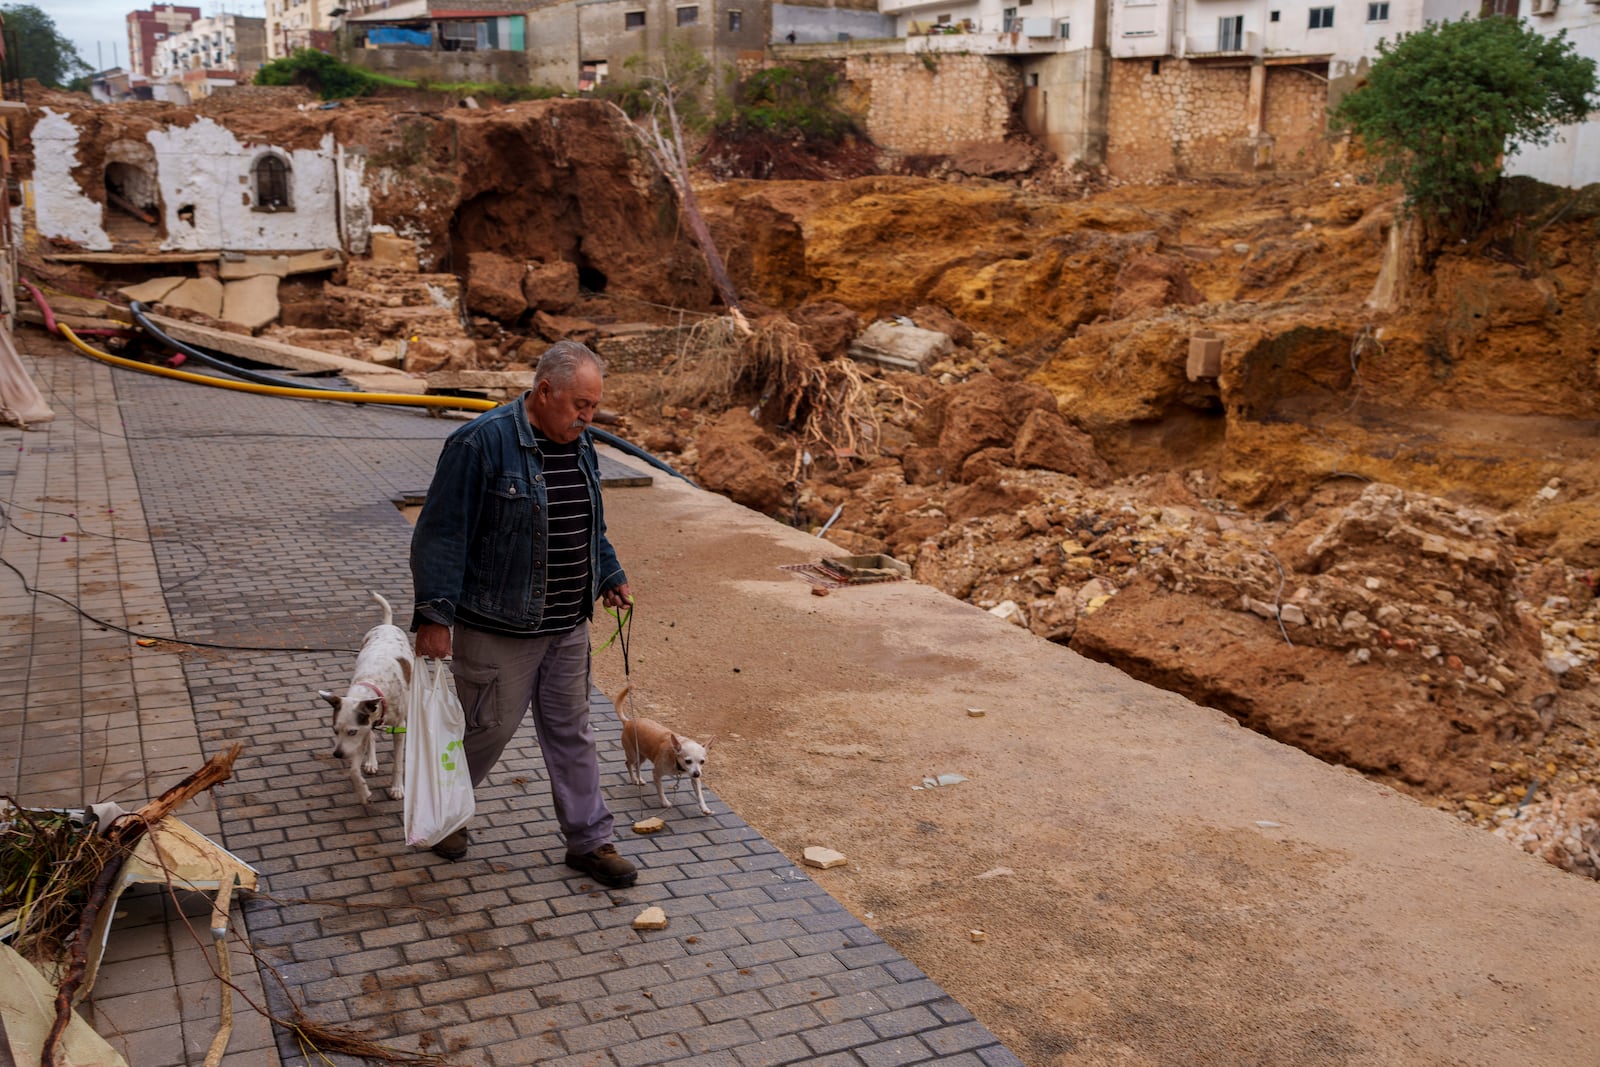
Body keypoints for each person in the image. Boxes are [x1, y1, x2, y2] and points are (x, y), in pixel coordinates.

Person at [409, 340, 637, 887]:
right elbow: (441, 535)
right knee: (487, 728)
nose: (589, 417)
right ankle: (444, 815)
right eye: (580, 404)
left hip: (566, 624)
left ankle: (590, 841)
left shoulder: (580, 444)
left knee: (573, 732)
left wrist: (607, 573)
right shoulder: (479, 443)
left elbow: (588, 523)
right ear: (544, 392)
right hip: (498, 625)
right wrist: (434, 617)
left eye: (594, 405)